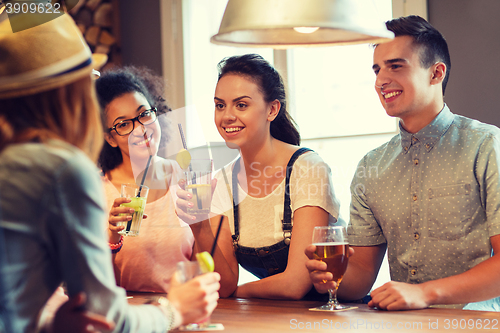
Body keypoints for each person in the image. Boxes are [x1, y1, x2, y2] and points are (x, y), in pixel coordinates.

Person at [0, 12, 219, 333]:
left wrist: (51, 324)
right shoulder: (63, 170)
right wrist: (175, 311)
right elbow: (107, 318)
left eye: (144, 114)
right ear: (68, 95)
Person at [306, 15, 500, 311]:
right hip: (400, 325)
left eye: (395, 66)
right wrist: (331, 279)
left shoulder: (486, 146)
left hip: (475, 325)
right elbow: (359, 280)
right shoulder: (371, 167)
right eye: (377, 69)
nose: (381, 80)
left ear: (436, 73)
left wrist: (424, 293)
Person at [176, 54, 342, 300]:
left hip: (327, 312)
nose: (227, 116)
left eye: (241, 105)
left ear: (272, 109)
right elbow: (223, 285)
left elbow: (296, 284)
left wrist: (237, 295)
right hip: (271, 314)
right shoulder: (220, 182)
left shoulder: (307, 168)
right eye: (220, 105)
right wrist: (199, 226)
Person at [95, 66, 195, 293]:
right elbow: (95, 289)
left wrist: (204, 226)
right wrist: (111, 235)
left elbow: (209, 271)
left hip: (184, 312)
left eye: (144, 114)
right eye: (123, 124)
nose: (140, 129)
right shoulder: (95, 192)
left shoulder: (187, 179)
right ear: (110, 138)